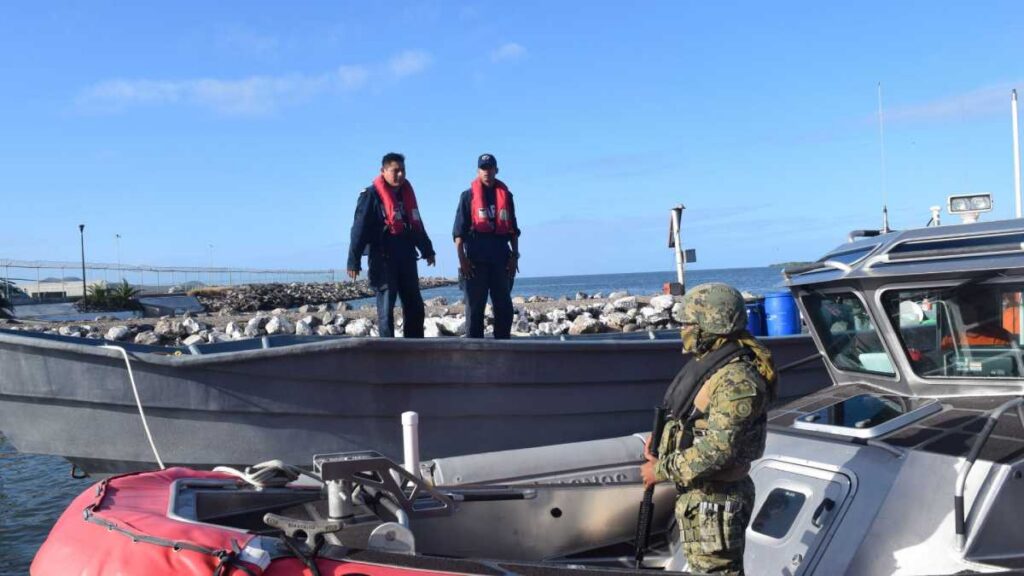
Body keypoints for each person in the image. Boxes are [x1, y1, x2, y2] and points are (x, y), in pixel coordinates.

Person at [640, 283, 777, 576]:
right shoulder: (713, 366)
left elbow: (719, 449)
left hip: (717, 498)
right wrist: (662, 442)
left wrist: (661, 470)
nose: (685, 329)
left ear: (712, 324)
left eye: (691, 323)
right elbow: (693, 419)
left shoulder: (737, 380)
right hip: (702, 495)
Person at [347, 152, 436, 337]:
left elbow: (417, 224)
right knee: (386, 309)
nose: (400, 175)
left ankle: (414, 347)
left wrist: (427, 250)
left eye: (403, 171)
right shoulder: (370, 195)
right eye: (395, 171)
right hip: (383, 259)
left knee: (415, 307)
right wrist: (353, 261)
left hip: (407, 257)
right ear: (383, 171)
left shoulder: (406, 195)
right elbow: (358, 230)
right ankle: (387, 352)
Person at [452, 153, 521, 339]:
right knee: (474, 309)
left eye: (490, 168)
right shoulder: (467, 197)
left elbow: (513, 231)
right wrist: (462, 260)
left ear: (496, 170)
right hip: (475, 263)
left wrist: (515, 257)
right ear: (478, 171)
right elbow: (458, 233)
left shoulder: (506, 196)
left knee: (504, 307)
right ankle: (475, 351)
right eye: (483, 168)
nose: (487, 172)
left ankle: (504, 347)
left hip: (501, 261)